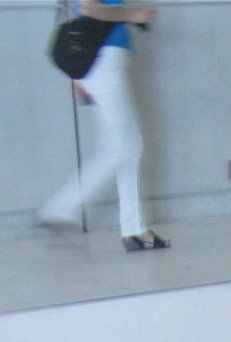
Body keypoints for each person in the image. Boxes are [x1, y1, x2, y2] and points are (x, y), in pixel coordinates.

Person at [39, 0, 170, 251]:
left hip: (103, 58)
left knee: (129, 148)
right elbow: (89, 8)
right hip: (103, 58)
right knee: (120, 148)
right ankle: (59, 208)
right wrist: (133, 15)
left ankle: (134, 229)